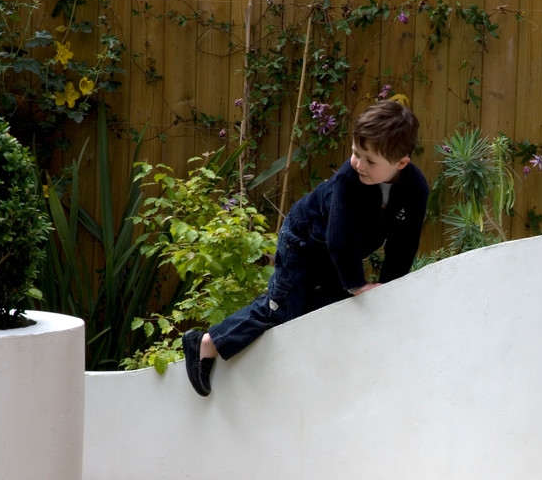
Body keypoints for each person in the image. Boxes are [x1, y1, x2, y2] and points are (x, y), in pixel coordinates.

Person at [182, 99, 430, 396]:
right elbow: (340, 236)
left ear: (401, 163)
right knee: (284, 307)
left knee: (330, 308)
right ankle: (206, 343)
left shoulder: (415, 189)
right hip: (302, 241)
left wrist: (392, 291)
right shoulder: (348, 180)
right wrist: (356, 284)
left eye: (370, 161)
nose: (358, 164)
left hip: (334, 256)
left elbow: (404, 244)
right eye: (355, 153)